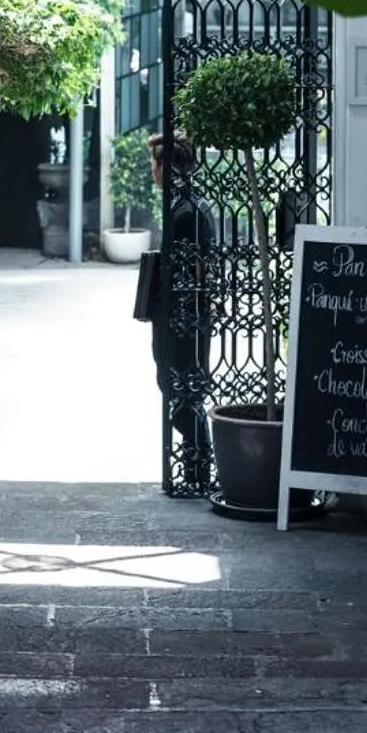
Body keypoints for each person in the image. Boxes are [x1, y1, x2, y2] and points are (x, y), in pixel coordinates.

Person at [147, 130, 216, 492]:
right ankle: (195, 466)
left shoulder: (185, 210)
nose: (152, 173)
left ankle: (198, 467)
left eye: (154, 165)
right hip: (183, 311)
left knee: (180, 386)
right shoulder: (190, 204)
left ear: (165, 167)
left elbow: (202, 267)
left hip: (183, 314)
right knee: (182, 387)